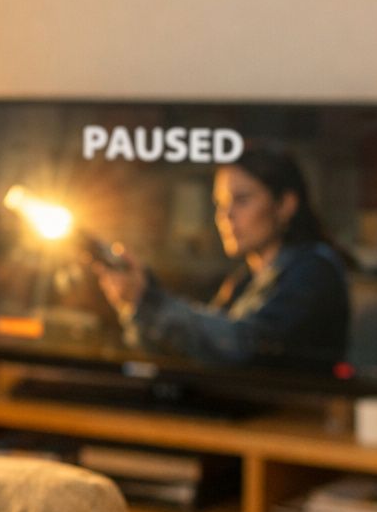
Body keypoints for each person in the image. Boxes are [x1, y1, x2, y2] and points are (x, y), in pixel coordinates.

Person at [91, 147, 351, 372]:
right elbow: (192, 354)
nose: (226, 215)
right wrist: (133, 304)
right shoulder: (244, 280)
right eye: (220, 203)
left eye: (242, 200)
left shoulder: (315, 269)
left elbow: (244, 348)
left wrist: (150, 300)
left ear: (285, 205)